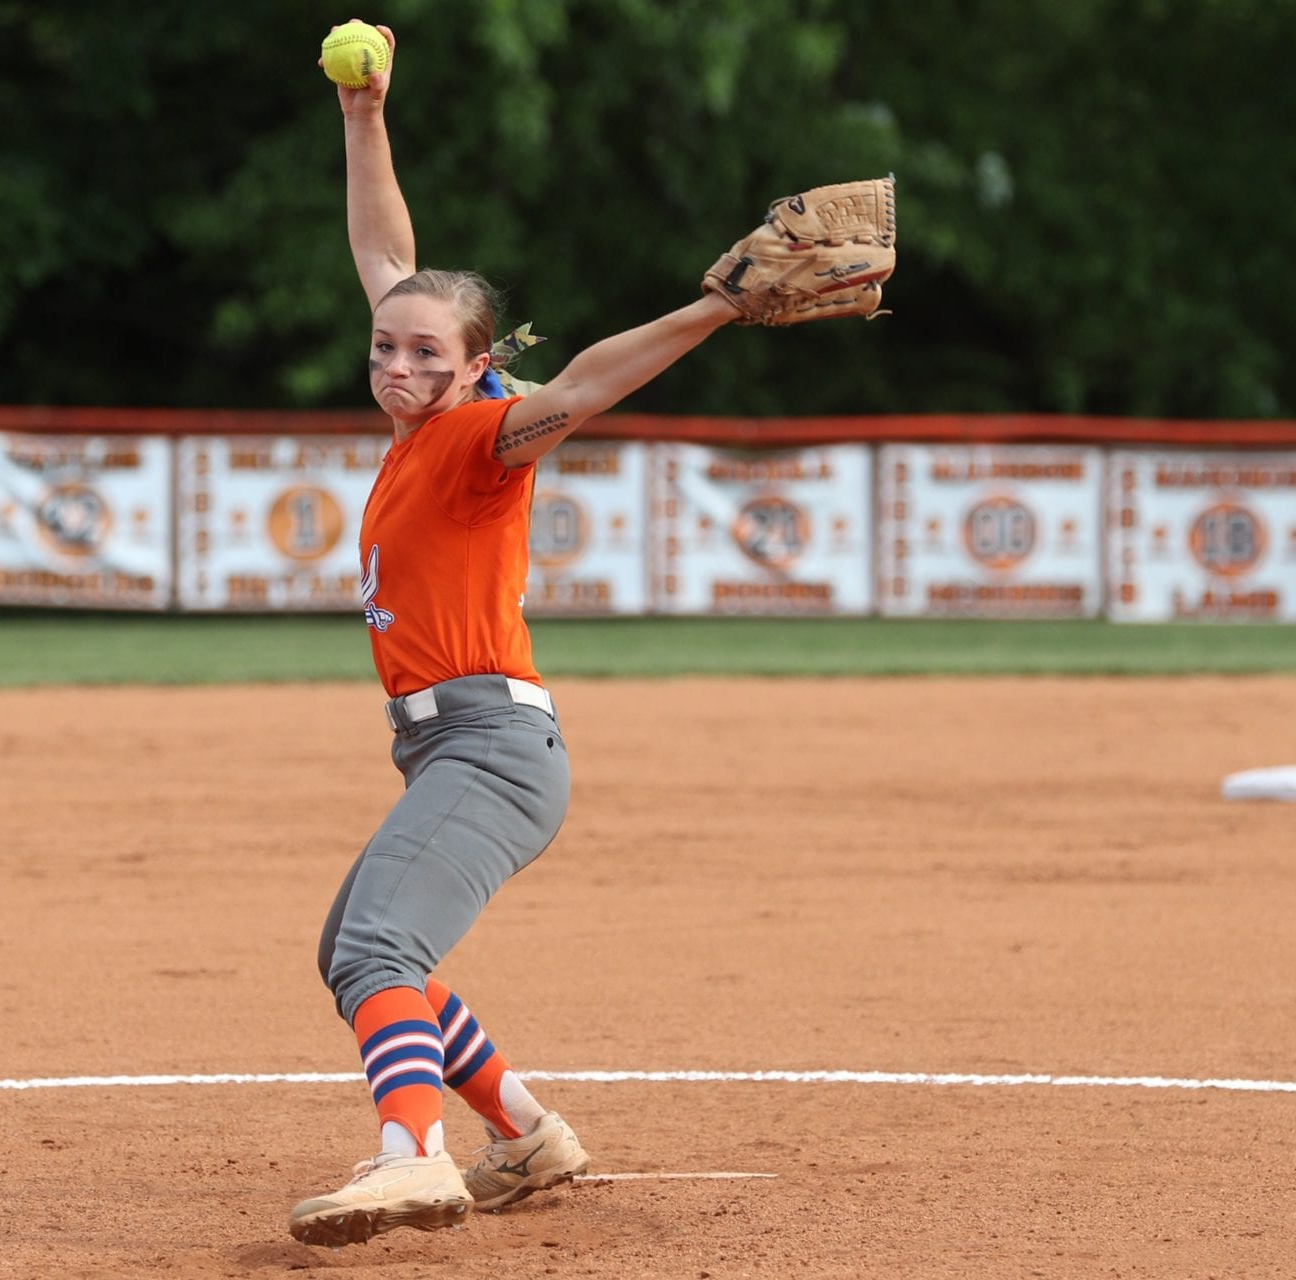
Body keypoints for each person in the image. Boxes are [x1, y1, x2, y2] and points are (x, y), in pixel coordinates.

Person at [288, 22, 760, 1249]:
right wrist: (364, 115)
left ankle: (412, 1153)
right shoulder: (418, 412)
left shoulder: (481, 439)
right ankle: (528, 1131)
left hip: (492, 745)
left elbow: (587, 384)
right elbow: (386, 249)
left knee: (380, 940)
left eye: (424, 351)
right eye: (386, 343)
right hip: (457, 747)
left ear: (475, 363)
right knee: (358, 941)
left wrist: (711, 307)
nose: (396, 362)